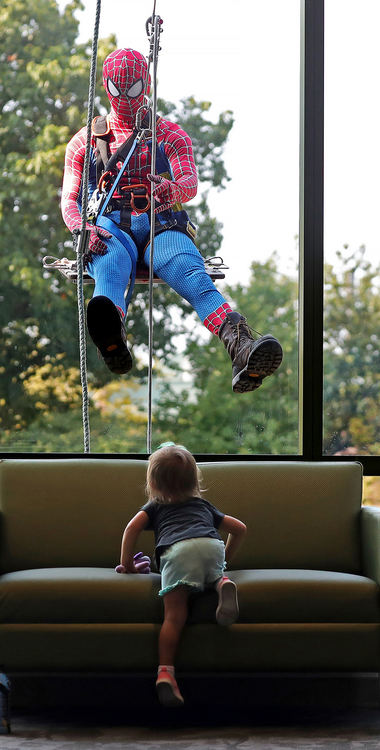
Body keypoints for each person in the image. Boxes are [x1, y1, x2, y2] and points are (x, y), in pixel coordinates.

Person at [61, 47, 283, 392]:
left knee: (186, 269)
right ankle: (110, 330)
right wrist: (81, 229)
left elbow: (190, 182)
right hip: (109, 224)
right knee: (109, 262)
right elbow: (70, 198)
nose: (125, 99)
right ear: (106, 88)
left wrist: (172, 190)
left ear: (146, 85)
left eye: (133, 90)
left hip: (159, 222)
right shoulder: (85, 142)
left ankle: (240, 344)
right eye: (118, 91)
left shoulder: (169, 135)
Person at [118, 443, 247, 707]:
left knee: (174, 617)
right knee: (213, 572)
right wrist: (225, 560)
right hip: (212, 545)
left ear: (153, 483)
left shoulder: (154, 507)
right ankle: (221, 581)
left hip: (178, 553)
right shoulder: (203, 505)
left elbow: (131, 529)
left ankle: (166, 673)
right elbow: (240, 528)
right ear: (194, 480)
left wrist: (127, 564)